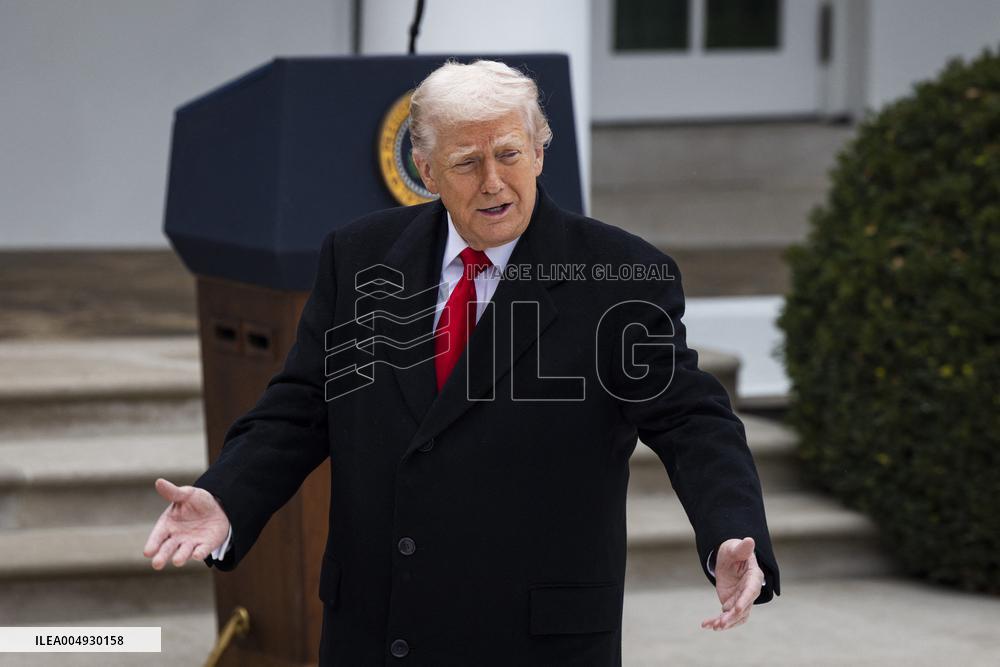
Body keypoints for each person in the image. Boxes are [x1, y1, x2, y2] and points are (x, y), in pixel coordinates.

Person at [143, 59, 779, 665]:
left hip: (534, 641)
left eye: (508, 154)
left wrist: (729, 528)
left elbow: (694, 420)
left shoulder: (617, 276)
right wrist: (228, 496)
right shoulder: (361, 257)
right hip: (380, 631)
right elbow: (302, 406)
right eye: (467, 163)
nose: (494, 182)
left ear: (539, 150)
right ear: (425, 170)